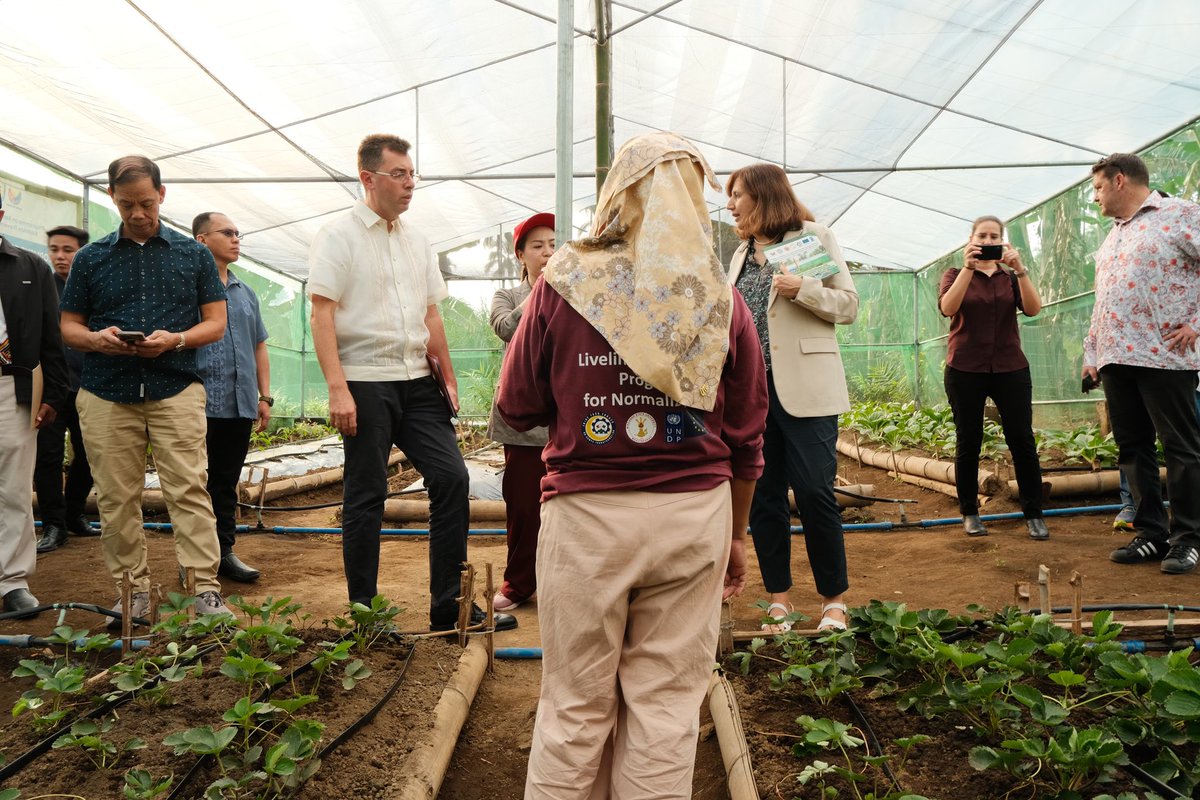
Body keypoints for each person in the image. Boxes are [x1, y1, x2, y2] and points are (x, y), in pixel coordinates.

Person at [499, 131, 767, 799]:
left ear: (618, 195)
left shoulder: (562, 283)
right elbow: (746, 435)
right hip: (692, 518)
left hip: (587, 520)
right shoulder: (718, 296)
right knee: (666, 709)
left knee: (575, 706)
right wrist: (734, 536)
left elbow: (517, 401)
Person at [308, 134, 516, 633]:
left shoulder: (416, 239)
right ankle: (367, 614)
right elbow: (322, 314)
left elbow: (431, 313)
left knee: (452, 479)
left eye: (411, 174)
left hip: (417, 381)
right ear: (368, 178)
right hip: (365, 380)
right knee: (366, 493)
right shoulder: (339, 235)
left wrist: (446, 374)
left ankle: (449, 606)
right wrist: (338, 388)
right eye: (398, 174)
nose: (409, 183)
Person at [60, 155, 233, 627]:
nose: (137, 213)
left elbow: (215, 323)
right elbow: (69, 326)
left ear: (162, 194)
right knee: (116, 498)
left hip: (174, 386)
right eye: (126, 204)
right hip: (105, 389)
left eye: (146, 202)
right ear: (113, 199)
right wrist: (98, 340)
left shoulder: (192, 254)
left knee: (189, 490)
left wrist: (174, 339)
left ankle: (204, 591)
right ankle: (131, 593)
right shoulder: (92, 257)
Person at [724, 163, 856, 633]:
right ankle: (779, 599)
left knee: (817, 493)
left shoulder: (808, 240)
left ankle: (834, 602)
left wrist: (806, 290)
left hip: (807, 391)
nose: (731, 204)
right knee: (765, 498)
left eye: (738, 194)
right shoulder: (739, 257)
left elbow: (848, 306)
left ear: (764, 195)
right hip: (753, 395)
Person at [1083, 152, 1200, 574]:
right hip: (1116, 356)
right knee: (1132, 449)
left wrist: (1196, 324)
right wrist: (1091, 353)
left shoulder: (1181, 214)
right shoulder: (1112, 237)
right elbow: (1105, 300)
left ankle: (1188, 538)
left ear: (1118, 181)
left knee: (1180, 448)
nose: (1093, 196)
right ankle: (1152, 532)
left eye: (1096, 187)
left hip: (1164, 355)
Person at [938, 215, 1049, 540]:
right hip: (964, 368)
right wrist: (969, 268)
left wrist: (1021, 270)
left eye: (994, 236)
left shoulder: (1010, 278)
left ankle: (1034, 514)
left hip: (1010, 367)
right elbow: (948, 308)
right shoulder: (955, 274)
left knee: (1022, 441)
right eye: (982, 236)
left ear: (1002, 241)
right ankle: (970, 513)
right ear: (971, 240)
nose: (988, 241)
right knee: (969, 441)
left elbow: (1033, 310)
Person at [0, 196, 69, 618]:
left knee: (12, 487)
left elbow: (51, 334)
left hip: (12, 385)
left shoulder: (29, 267)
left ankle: (12, 580)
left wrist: (54, 393)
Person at [193, 212, 270, 583]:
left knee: (225, 482)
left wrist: (264, 396)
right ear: (202, 239)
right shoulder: (187, 286)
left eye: (238, 232)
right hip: (198, 402)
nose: (236, 238)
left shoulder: (245, 292)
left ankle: (224, 552)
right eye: (227, 233)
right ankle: (193, 559)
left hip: (239, 404)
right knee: (194, 484)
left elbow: (259, 345)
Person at [487, 212, 554, 612]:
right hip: (522, 422)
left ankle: (565, 584)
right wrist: (542, 291)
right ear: (520, 255)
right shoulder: (509, 297)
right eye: (537, 246)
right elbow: (506, 328)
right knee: (524, 507)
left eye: (553, 245)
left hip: (566, 416)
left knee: (574, 506)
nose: (548, 252)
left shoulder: (575, 293)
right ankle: (519, 584)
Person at [34, 225, 98, 553]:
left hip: (87, 384)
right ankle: (53, 525)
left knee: (88, 454)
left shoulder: (93, 287)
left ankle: (74, 514)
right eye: (54, 249)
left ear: (82, 252)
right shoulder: (42, 287)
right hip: (49, 388)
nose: (60, 256)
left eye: (68, 250)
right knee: (47, 455)